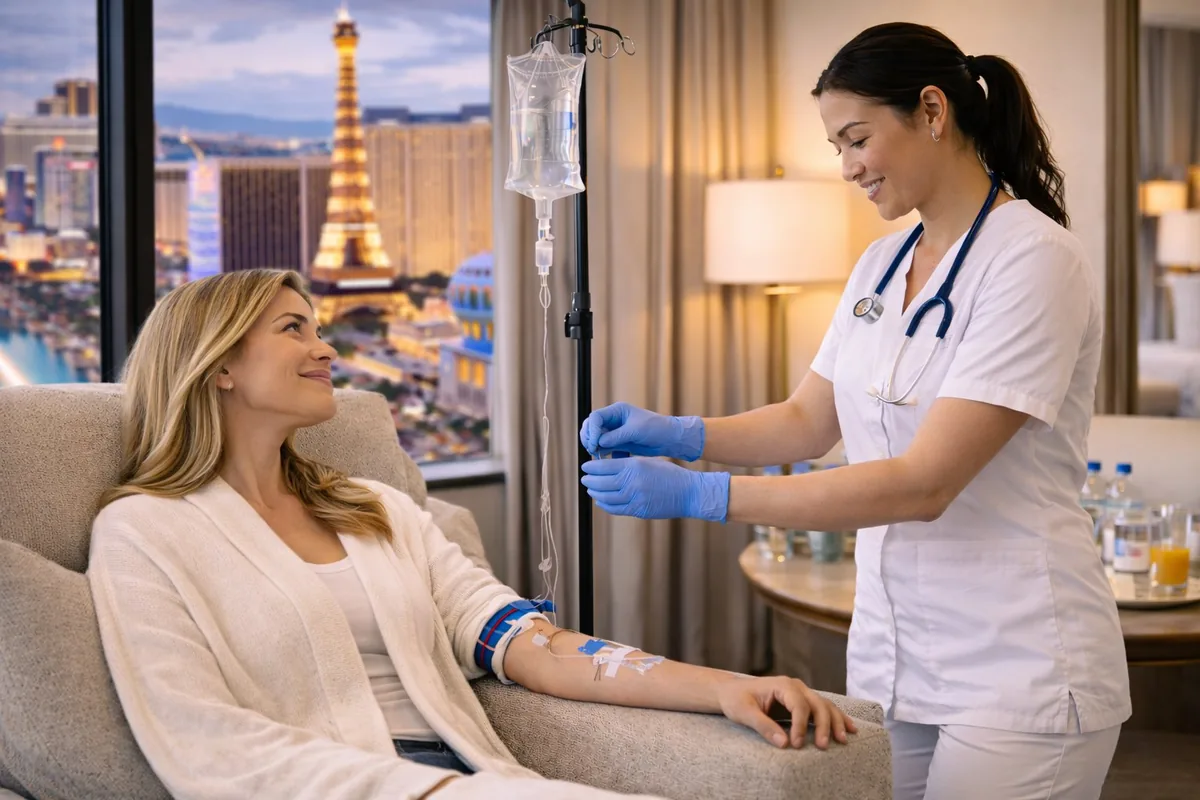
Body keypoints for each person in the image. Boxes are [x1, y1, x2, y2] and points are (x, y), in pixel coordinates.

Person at [579, 21, 1130, 800]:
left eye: (856, 138)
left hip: (1019, 664)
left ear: (932, 111)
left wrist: (704, 494)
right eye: (836, 146)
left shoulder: (1033, 260)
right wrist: (682, 432)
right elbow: (809, 420)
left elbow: (923, 484)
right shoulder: (883, 262)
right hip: (894, 660)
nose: (846, 168)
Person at [86, 268, 854, 800]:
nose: (326, 349)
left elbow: (539, 648)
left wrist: (728, 687)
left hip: (474, 776)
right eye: (296, 330)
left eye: (320, 329)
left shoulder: (374, 510)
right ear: (218, 364)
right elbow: (206, 744)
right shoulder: (144, 533)